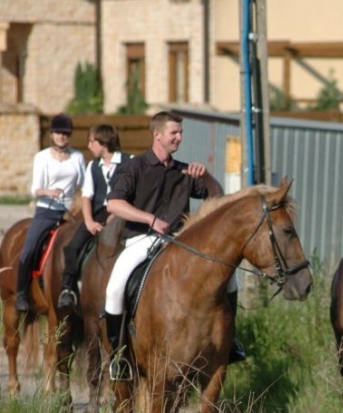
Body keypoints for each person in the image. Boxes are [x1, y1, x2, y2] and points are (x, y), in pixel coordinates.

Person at [103, 111, 242, 380]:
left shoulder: (185, 171)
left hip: (180, 243)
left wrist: (208, 177)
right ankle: (119, 357)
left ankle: (230, 343)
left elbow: (218, 199)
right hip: (141, 239)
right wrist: (149, 219)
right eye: (174, 133)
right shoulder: (134, 167)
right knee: (114, 288)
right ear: (157, 135)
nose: (179, 138)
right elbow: (113, 204)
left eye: (180, 133)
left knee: (230, 278)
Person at [16, 113, 86, 311]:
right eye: (58, 133)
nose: (61, 136)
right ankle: (22, 293)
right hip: (47, 211)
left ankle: (73, 291)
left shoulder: (77, 157)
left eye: (65, 133)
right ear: (52, 134)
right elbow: (35, 189)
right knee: (29, 249)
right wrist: (49, 192)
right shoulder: (42, 157)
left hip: (69, 213)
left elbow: (83, 185)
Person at [57, 124, 132, 308]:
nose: (89, 146)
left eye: (92, 142)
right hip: (98, 214)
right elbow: (86, 197)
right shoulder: (93, 166)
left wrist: (116, 217)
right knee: (72, 247)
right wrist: (89, 221)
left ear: (104, 142)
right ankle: (68, 289)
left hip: (123, 214)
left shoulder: (129, 161)